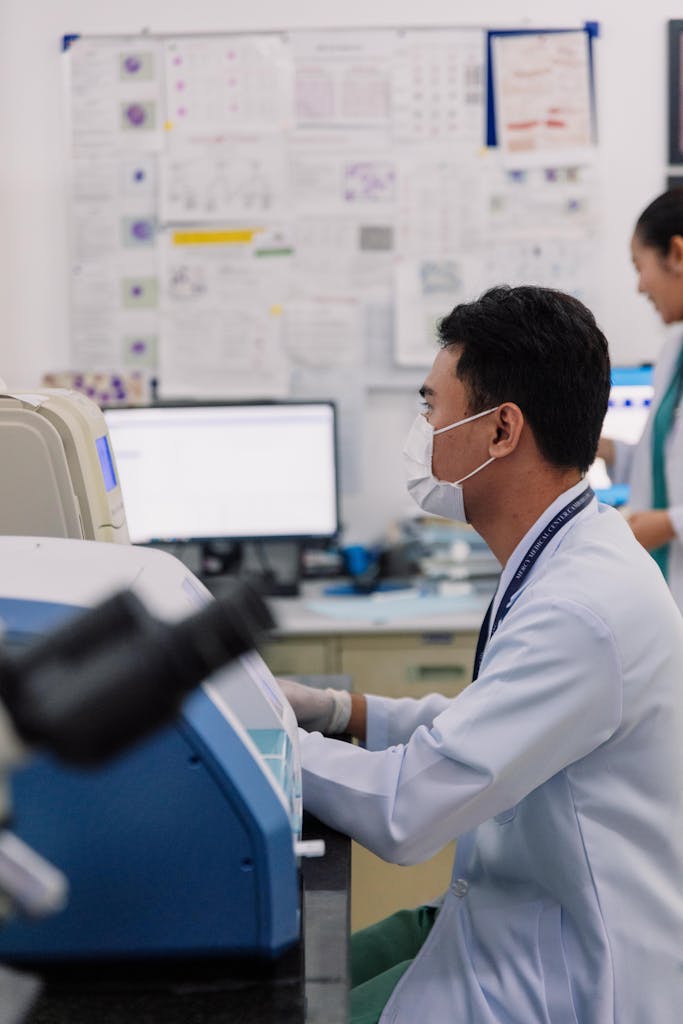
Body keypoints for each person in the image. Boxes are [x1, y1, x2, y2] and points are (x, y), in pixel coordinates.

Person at [279, 285, 683, 1024]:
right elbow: (490, 726)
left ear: (501, 430)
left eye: (432, 407)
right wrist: (343, 710)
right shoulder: (566, 550)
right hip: (502, 913)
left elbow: (406, 809)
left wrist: (264, 744)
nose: (424, 430)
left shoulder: (579, 607)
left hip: (565, 974)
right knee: (291, 979)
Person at [599, 187, 683, 610]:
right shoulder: (673, 351)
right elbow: (664, 466)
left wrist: (668, 524)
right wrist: (602, 449)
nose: (639, 286)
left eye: (639, 266)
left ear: (677, 254)